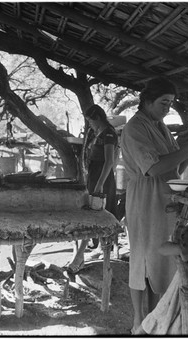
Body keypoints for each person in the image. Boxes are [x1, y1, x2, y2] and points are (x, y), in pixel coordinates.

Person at [120, 77, 188, 332]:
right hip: (145, 197)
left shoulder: (159, 126)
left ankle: (156, 316)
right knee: (143, 259)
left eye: (171, 103)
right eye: (164, 102)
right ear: (148, 101)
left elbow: (174, 166)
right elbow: (153, 168)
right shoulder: (134, 128)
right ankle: (138, 321)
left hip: (166, 195)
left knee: (160, 260)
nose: (168, 108)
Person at [67, 104, 118, 273]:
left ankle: (80, 257)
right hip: (95, 177)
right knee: (91, 215)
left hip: (102, 178)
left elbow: (110, 161)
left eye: (90, 120)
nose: (90, 124)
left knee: (96, 216)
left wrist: (100, 183)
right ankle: (81, 255)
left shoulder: (109, 133)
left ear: (97, 117)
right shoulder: (98, 134)